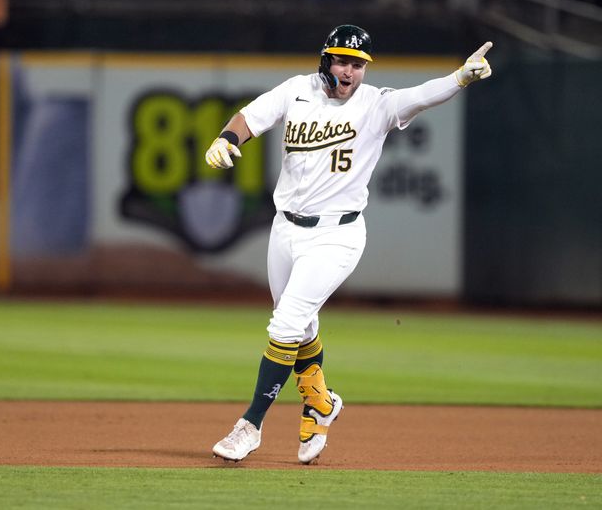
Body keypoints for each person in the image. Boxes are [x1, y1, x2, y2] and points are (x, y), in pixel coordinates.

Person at [205, 24, 493, 465]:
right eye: (342, 61)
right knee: (299, 327)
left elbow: (421, 94)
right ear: (325, 60)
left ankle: (250, 426)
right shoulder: (297, 91)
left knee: (284, 326)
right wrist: (227, 138)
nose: (350, 71)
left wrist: (459, 78)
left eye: (358, 64)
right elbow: (250, 117)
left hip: (337, 235)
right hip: (285, 231)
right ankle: (321, 403)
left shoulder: (375, 104)